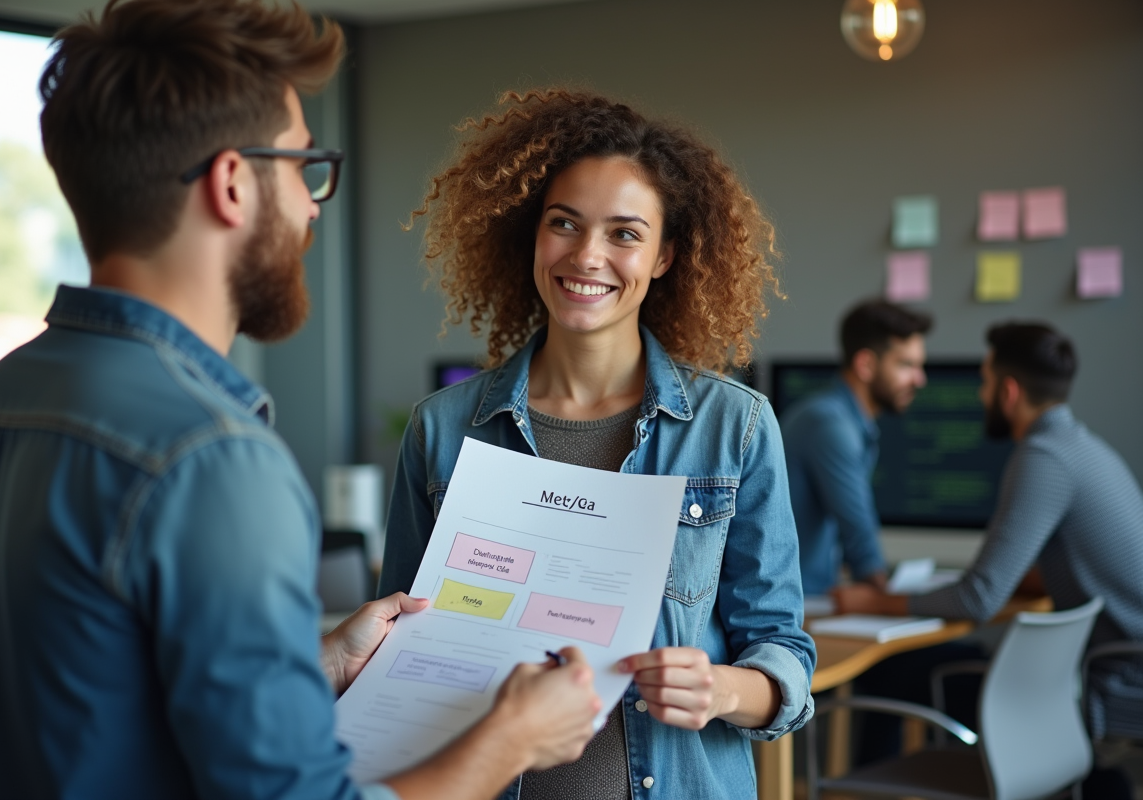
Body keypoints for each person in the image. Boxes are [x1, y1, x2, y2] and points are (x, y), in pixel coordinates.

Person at [0, 3, 603, 799]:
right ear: (230, 184)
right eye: (301, 167)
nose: (311, 205)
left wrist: (313, 662)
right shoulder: (209, 458)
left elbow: (81, 696)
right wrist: (511, 738)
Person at [377, 88, 816, 800]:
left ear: (666, 255)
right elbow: (398, 655)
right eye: (564, 224)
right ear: (532, 234)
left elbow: (783, 653)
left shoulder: (733, 427)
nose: (587, 256)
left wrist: (722, 689)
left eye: (624, 233)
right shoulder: (442, 428)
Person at [834, 322, 1143, 793]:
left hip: (1111, 685)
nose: (981, 395)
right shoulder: (1085, 448)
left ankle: (856, 792)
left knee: (893, 670)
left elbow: (979, 599)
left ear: (1010, 391)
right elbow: (1068, 569)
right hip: (1115, 670)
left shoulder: (1044, 456)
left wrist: (870, 602)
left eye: (985, 381)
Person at [780, 299, 932, 595]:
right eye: (906, 365)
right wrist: (883, 595)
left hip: (814, 593)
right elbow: (857, 527)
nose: (920, 379)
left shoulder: (840, 418)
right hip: (796, 605)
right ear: (865, 365)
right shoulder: (830, 424)